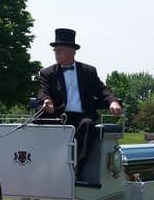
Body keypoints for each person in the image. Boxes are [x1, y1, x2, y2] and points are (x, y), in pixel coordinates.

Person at [37, 28, 122, 182]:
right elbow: (43, 92)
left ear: (72, 51)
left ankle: (75, 169)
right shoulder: (47, 73)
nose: (56, 53)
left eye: (60, 50)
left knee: (88, 125)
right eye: (55, 50)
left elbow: (102, 89)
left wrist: (113, 101)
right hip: (59, 117)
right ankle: (48, 170)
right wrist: (46, 101)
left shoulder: (88, 71)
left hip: (82, 117)